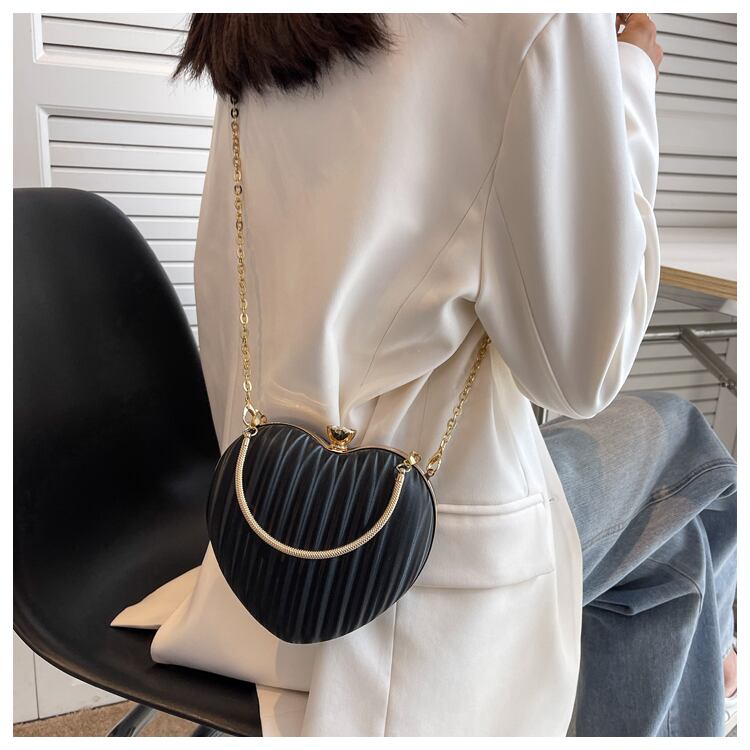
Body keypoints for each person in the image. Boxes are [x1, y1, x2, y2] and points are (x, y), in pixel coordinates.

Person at [111, 13, 737, 736]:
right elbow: (583, 374)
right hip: (413, 571)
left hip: (261, 524)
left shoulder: (257, 21)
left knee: (676, 549)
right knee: (692, 456)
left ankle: (714, 667)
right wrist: (627, 79)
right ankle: (720, 669)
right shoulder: (531, 21)